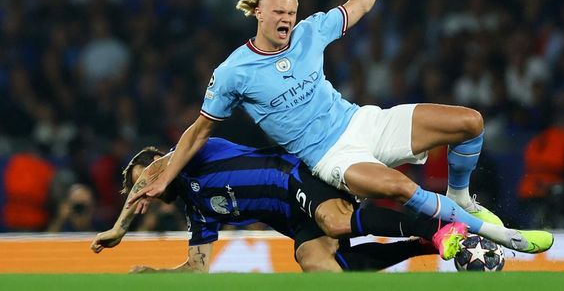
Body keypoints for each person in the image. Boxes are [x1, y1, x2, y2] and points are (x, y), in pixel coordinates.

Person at [129, 0, 553, 256]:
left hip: (362, 121)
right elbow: (199, 131)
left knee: (469, 123)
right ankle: (497, 234)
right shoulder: (233, 72)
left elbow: (362, 1)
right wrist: (165, 177)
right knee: (400, 187)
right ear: (258, 12)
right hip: (331, 156)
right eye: (278, 13)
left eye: (291, 14)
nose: (286, 20)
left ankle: (461, 198)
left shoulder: (309, 32)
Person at [91, 139, 455, 272]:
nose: (149, 186)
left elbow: (159, 166)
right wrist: (156, 275)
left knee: (335, 222)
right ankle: (422, 244)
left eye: (149, 177)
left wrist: (120, 228)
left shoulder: (194, 154)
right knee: (318, 265)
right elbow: (196, 270)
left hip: (295, 175)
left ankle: (436, 227)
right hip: (293, 218)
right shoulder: (198, 209)